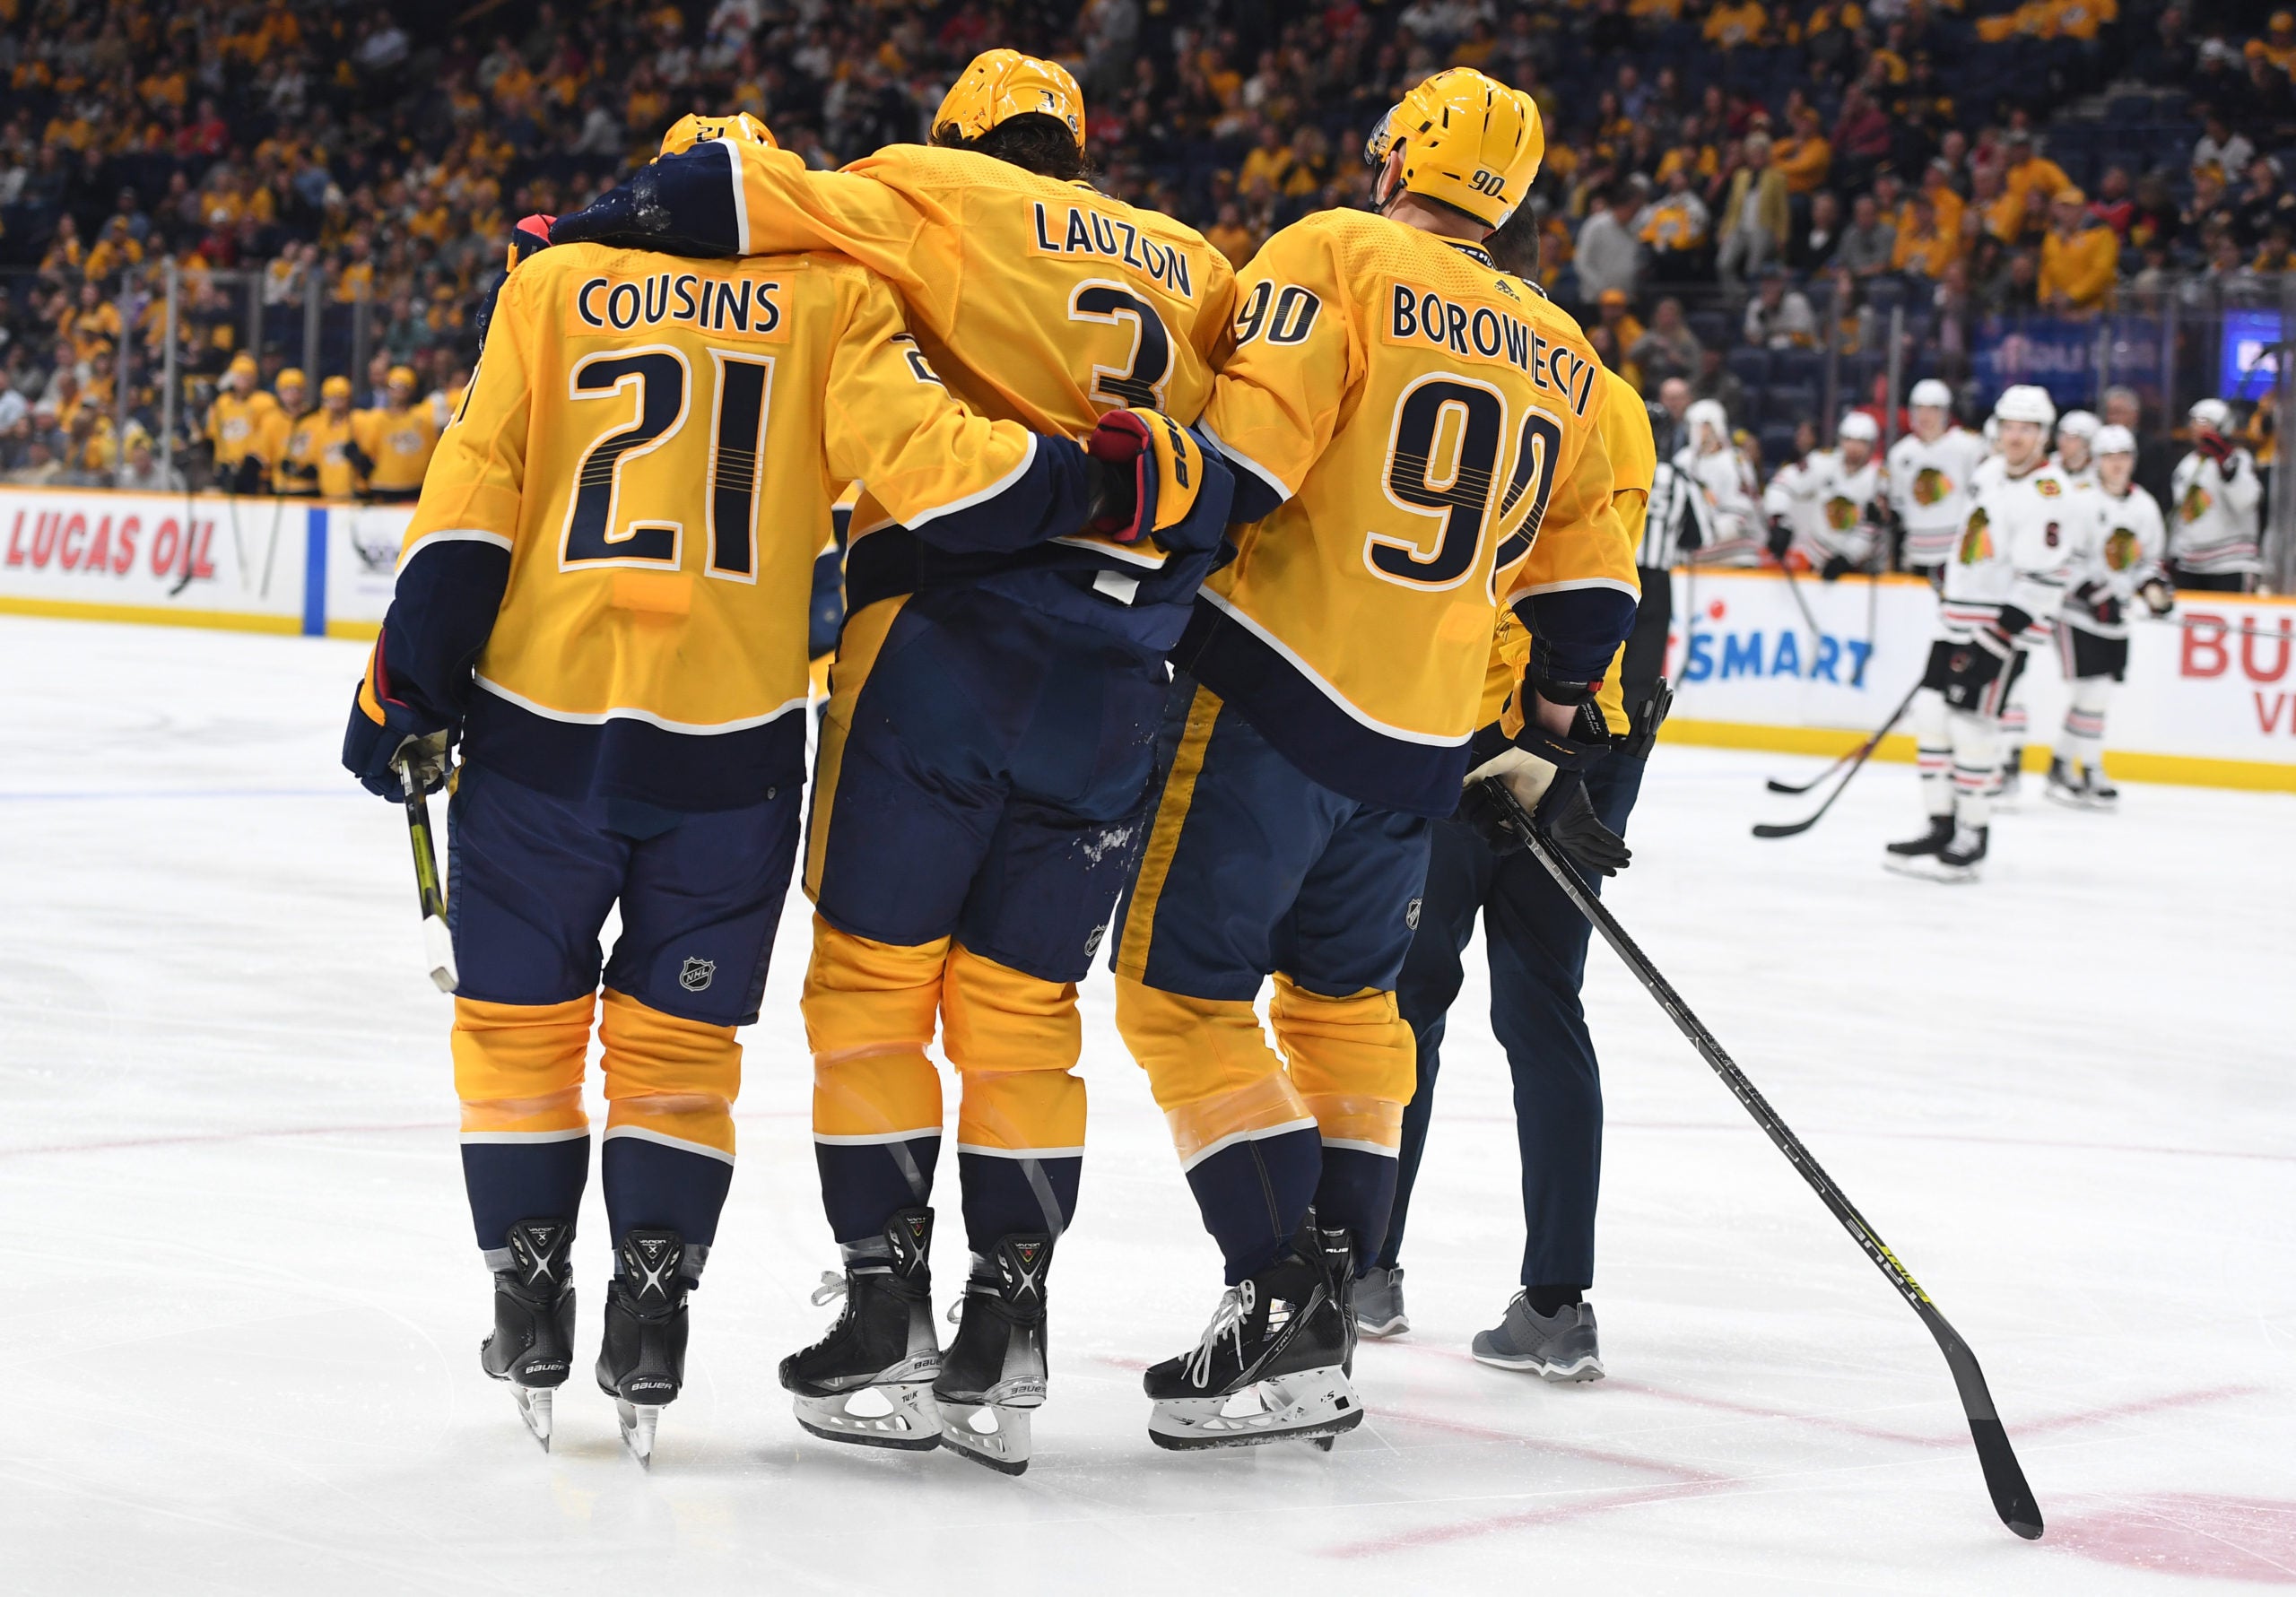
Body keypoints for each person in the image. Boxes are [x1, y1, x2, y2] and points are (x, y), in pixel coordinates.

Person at [338, 118, 1140, 1465]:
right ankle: (653, 1315)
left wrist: (404, 688)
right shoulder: (838, 297)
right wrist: (1103, 478)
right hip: (734, 744)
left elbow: (471, 504)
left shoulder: (552, 282)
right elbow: (925, 474)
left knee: (515, 1030)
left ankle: (530, 1293)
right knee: (679, 1050)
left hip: (544, 731)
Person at [551, 59, 1239, 1474]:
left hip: (949, 644)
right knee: (1023, 1005)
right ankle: (1014, 1312)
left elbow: (716, 186)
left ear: (962, 135)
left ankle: (886, 1308)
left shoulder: (927, 190)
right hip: (1124, 673)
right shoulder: (1200, 266)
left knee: (874, 987)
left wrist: (576, 239)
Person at [1110, 68, 1638, 1452]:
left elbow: (1246, 468)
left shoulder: (1335, 250)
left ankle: (1274, 1284)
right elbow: (1588, 601)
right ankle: (1329, 1305)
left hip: (1273, 695)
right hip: (1426, 743)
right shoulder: (1569, 350)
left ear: (1397, 151)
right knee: (1348, 1010)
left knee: (1180, 996)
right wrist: (1544, 737)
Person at [1360, 363, 1677, 1374]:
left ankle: (1365, 1266)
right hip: (1592, 743)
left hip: (1477, 739)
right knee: (1545, 1009)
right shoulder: (1614, 397)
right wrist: (1590, 743)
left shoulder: (1464, 358)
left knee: (1405, 1005)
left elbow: (1513, 588)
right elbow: (1617, 581)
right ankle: (1556, 1302)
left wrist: (1515, 736)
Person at [1886, 385, 2075, 882]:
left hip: (1999, 632)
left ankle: (1973, 832)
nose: (2015, 437)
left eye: (2027, 429)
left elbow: (2047, 576)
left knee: (1973, 728)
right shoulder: (1990, 472)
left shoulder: (2050, 491)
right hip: (1957, 621)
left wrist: (1999, 636)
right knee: (1930, 718)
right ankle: (1940, 822)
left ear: (2043, 435)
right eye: (2009, 426)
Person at [2048, 424, 2172, 809]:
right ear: (2098, 462)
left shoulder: (2144, 506)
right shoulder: (2080, 501)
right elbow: (2063, 559)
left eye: (2124, 458)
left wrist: (2154, 590)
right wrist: (2097, 595)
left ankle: (2062, 765)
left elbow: (2147, 561)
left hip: (2116, 617)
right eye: (2110, 458)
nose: (2118, 466)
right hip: (2076, 615)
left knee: (2095, 696)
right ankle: (2090, 768)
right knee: (2093, 692)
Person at [1887, 378, 1990, 577]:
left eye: (1933, 409)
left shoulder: (1969, 446)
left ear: (1945, 412)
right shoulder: (1900, 454)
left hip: (1957, 551)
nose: (1925, 416)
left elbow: (1979, 498)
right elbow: (1898, 506)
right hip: (1915, 553)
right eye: (1919, 408)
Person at [1764, 410, 1885, 577]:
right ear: (1840, 440)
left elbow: (1869, 529)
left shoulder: (1878, 480)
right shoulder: (1821, 463)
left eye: (1861, 442)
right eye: (1849, 440)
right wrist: (1779, 521)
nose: (1854, 448)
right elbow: (1782, 483)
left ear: (1871, 446)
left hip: (1856, 569)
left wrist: (1846, 558)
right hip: (1812, 557)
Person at [2168, 398, 2263, 590]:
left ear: (2222, 427)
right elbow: (2183, 514)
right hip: (2190, 565)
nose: (2197, 428)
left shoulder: (2238, 459)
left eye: (2205, 422)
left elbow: (2247, 501)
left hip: (2231, 564)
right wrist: (2172, 553)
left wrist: (2228, 470)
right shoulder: (2187, 464)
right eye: (2195, 421)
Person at [1678, 397, 1763, 564]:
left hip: (1731, 541)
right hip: (1692, 537)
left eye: (1702, 426)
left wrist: (1710, 530)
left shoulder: (1736, 461)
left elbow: (1742, 511)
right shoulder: (1683, 460)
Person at [352, 365, 439, 502]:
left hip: (417, 485)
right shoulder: (376, 419)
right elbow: (368, 452)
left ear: (412, 389)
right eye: (395, 386)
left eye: (404, 386)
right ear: (387, 389)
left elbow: (433, 450)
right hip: (383, 486)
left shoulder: (424, 417)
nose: (399, 391)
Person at [205, 352, 281, 494]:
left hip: (253, 469)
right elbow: (214, 434)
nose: (243, 380)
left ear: (255, 378)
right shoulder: (223, 402)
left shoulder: (265, 402)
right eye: (240, 376)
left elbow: (269, 435)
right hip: (226, 466)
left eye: (248, 376)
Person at [261, 369, 310, 495]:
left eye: (296, 389)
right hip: (281, 487)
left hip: (310, 487)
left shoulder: (315, 418)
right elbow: (265, 456)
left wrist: (302, 470)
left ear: (304, 391)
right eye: (287, 389)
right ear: (279, 392)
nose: (292, 393)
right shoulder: (271, 420)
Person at [2053, 408, 2100, 485]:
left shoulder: (2099, 474)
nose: (2063, 441)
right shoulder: (2049, 465)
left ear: (2087, 445)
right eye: (2062, 434)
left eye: (2071, 437)